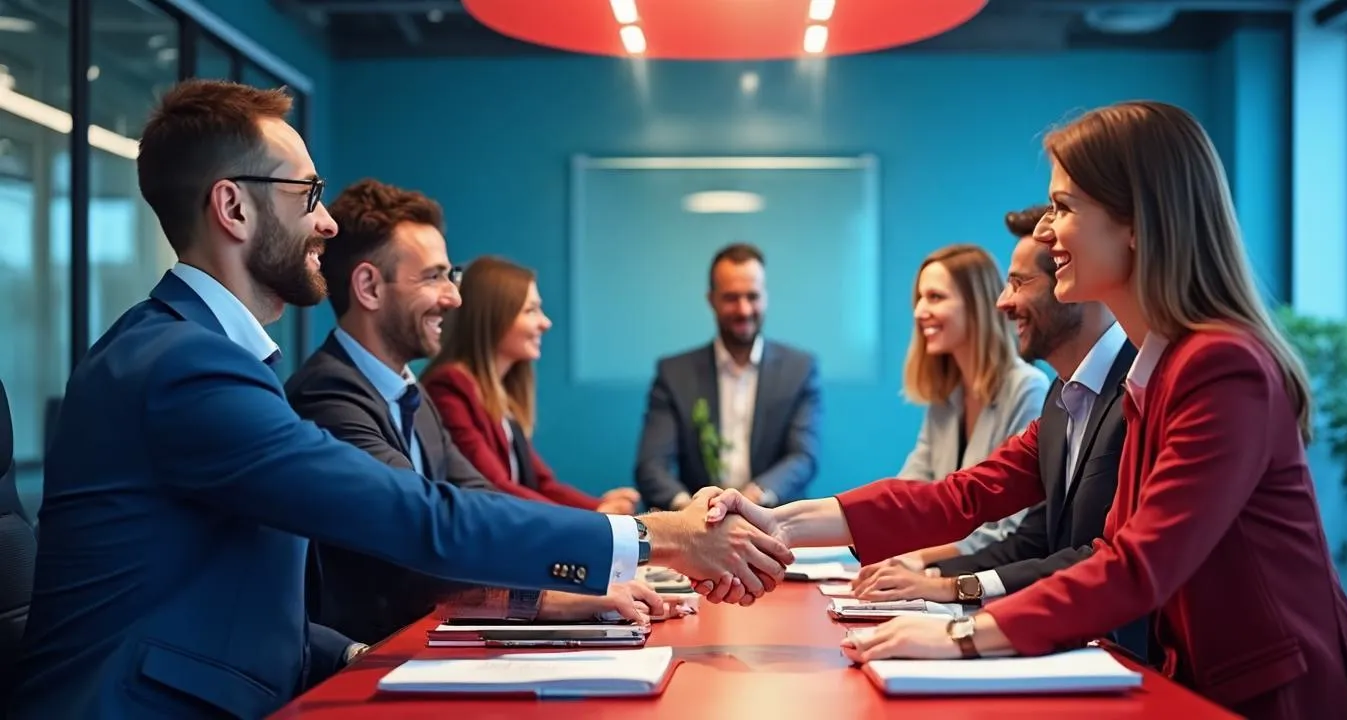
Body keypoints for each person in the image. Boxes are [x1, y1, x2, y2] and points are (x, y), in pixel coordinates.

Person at [8, 80, 789, 720]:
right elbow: (413, 515)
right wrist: (652, 537)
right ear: (233, 208)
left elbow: (231, 600)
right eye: (307, 193)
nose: (325, 220)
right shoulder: (183, 366)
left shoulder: (198, 355)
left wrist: (359, 657)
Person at [701, 101, 1347, 719]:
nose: (1049, 231)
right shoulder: (1151, 371)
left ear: (1135, 223)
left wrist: (960, 633)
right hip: (1192, 685)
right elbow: (960, 496)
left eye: (1064, 207)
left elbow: (1136, 566)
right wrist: (777, 522)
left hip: (1273, 699)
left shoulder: (1220, 367)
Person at [288, 179, 665, 645]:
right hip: (374, 659)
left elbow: (485, 505)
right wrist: (552, 592)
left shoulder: (412, 395)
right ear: (368, 287)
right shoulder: (328, 396)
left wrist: (588, 568)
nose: (454, 298)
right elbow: (423, 540)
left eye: (451, 276)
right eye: (433, 277)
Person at [848, 206, 1145, 657]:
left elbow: (1109, 560)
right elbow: (960, 501)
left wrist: (951, 610)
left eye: (1019, 283)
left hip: (1133, 653)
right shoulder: (1060, 396)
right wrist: (792, 523)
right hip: (1084, 640)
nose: (1004, 303)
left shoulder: (1130, 384)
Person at [422, 256, 639, 514]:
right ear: (494, 317)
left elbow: (542, 483)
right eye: (531, 310)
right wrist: (594, 518)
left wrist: (599, 508)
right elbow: (494, 487)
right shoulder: (449, 388)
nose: (545, 323)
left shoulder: (499, 394)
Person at [634, 243, 821, 510]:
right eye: (731, 298)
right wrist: (691, 511)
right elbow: (652, 465)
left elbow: (803, 457)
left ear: (765, 297)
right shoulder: (674, 375)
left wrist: (748, 502)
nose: (744, 310)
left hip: (774, 520)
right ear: (711, 300)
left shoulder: (799, 369)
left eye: (752, 296)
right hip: (697, 523)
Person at [891, 244, 1047, 560]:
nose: (919, 311)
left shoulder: (1027, 389)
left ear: (977, 306)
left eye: (935, 297)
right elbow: (910, 493)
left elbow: (1010, 529)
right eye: (920, 298)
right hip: (938, 573)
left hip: (987, 576)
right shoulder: (947, 395)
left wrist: (917, 560)